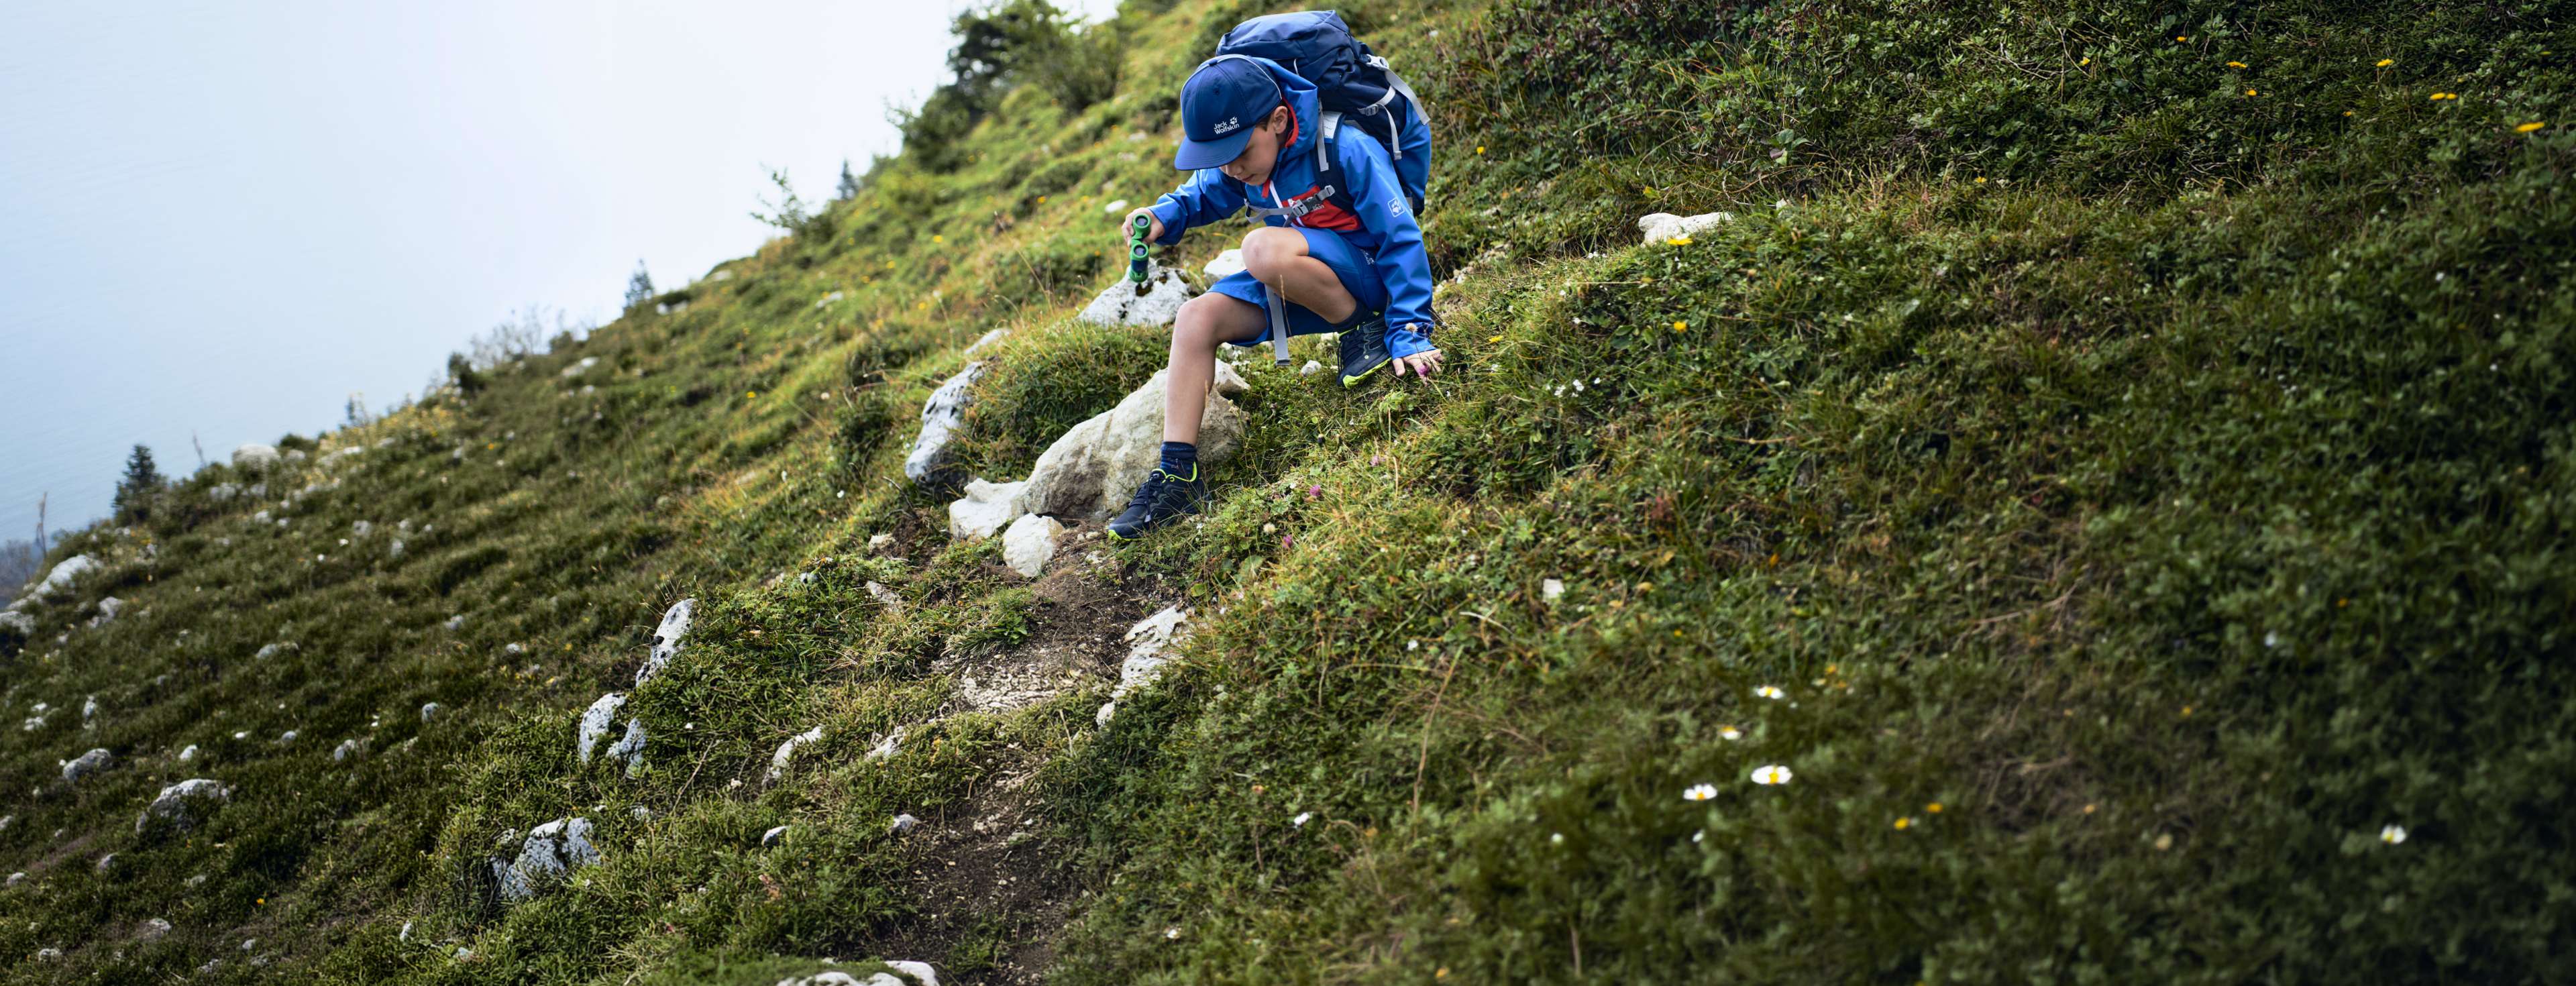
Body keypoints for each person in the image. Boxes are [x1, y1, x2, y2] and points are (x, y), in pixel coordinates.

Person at [1108, 54, 1441, 541]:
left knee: (1261, 247)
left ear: (1280, 121)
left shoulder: (1344, 146)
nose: (1231, 166)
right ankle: (1179, 473)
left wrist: (1410, 329)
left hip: (1372, 281)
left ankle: (1364, 331)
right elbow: (1202, 192)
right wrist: (1163, 216)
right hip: (1309, 276)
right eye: (1218, 154)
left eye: (1239, 150)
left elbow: (1401, 237)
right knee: (1195, 318)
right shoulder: (1244, 164)